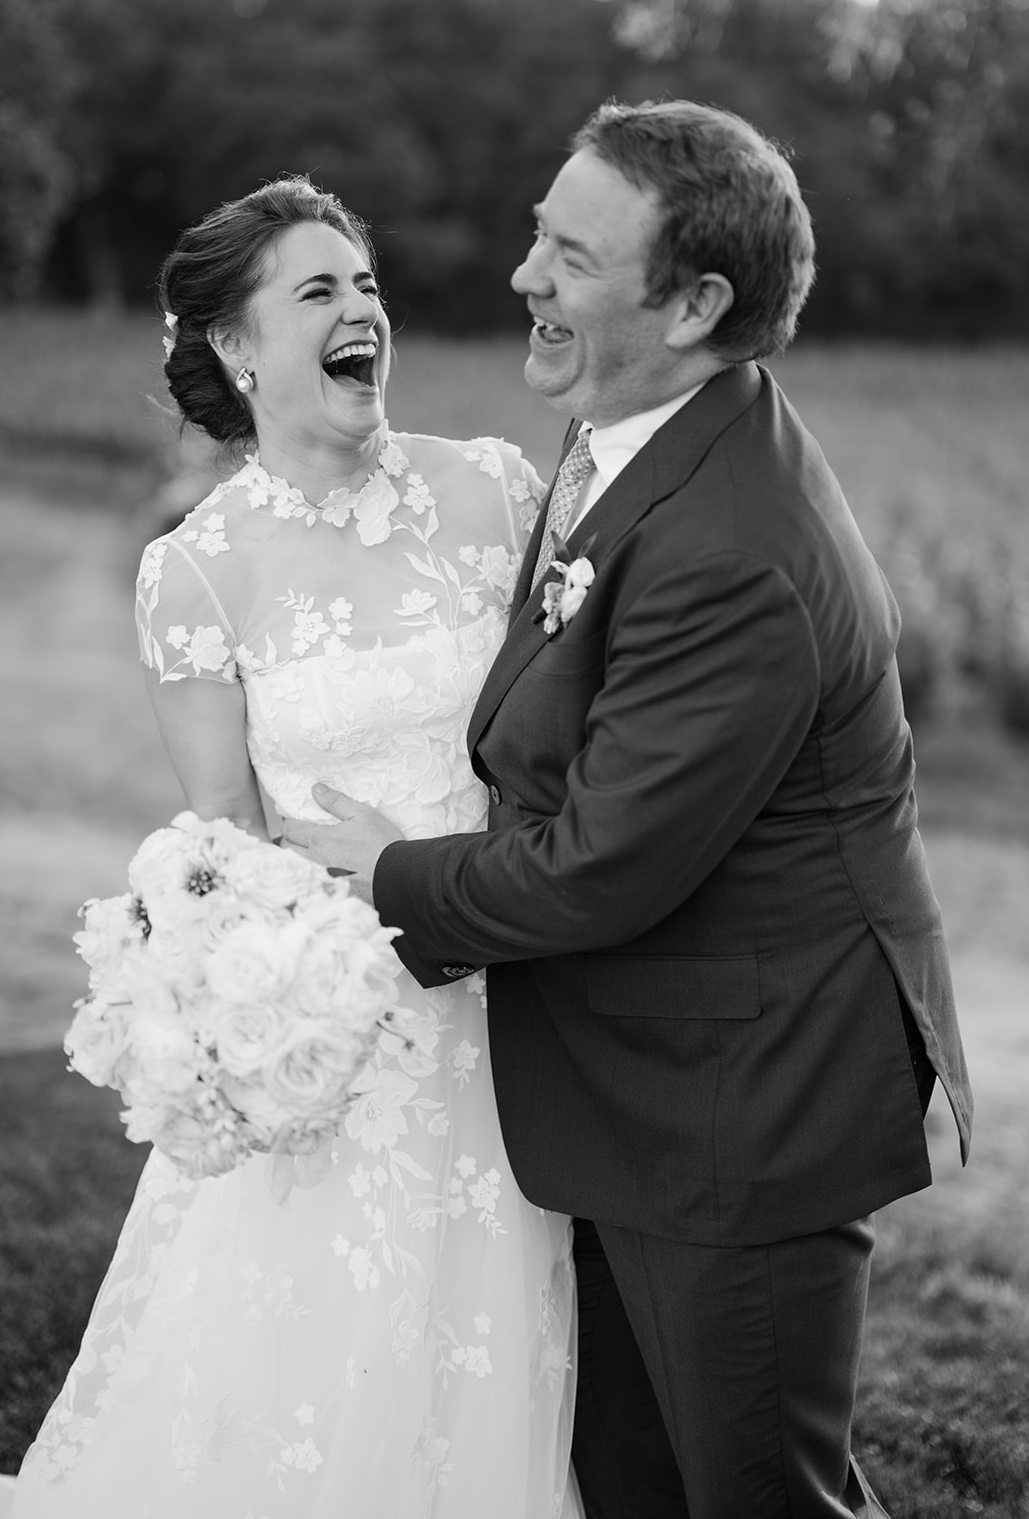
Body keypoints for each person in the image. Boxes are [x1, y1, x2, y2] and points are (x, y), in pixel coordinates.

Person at [283, 99, 974, 1519]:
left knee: (755, 1497)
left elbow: (603, 867)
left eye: (572, 256)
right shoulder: (638, 437)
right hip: (641, 1065)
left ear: (694, 302)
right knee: (633, 1481)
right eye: (538, 232)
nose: (525, 274)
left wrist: (390, 876)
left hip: (741, 1100)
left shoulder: (731, 545)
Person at [5, 178, 583, 1518]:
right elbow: (226, 848)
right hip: (350, 1042)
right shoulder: (198, 571)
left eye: (365, 284)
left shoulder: (494, 489)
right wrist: (248, 1012)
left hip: (529, 1000)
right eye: (316, 290)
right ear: (237, 349)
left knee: (499, 1351)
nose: (357, 309)